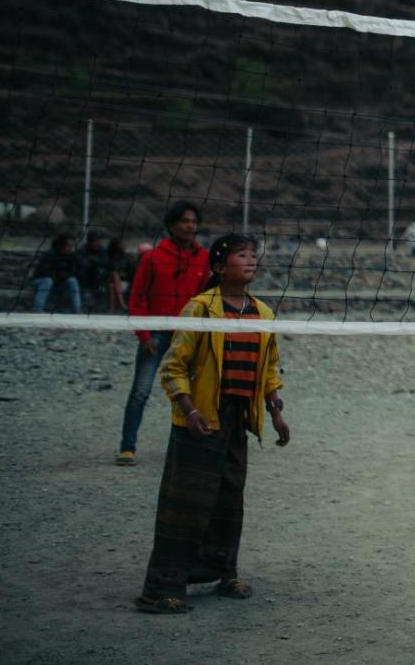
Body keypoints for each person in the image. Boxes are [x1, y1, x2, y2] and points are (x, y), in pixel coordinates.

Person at [133, 233, 290, 614]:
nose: (251, 261)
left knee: (228, 499)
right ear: (220, 267)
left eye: (254, 254)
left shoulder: (263, 313)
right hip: (202, 416)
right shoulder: (200, 309)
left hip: (239, 418)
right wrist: (188, 410)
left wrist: (275, 411)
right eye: (241, 255)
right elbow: (174, 366)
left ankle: (224, 571)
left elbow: (268, 368)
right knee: (184, 502)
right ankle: (162, 588)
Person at [119, 202, 211, 467]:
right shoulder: (152, 258)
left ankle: (192, 445)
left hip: (188, 335)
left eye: (194, 221)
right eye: (184, 221)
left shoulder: (203, 258)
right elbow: (137, 298)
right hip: (156, 335)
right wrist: (144, 335)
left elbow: (204, 297)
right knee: (141, 391)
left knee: (192, 393)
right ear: (171, 225)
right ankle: (127, 447)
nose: (190, 226)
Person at [28, 232, 83, 313]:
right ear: (62, 245)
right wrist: (59, 276)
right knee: (47, 280)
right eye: (69, 246)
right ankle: (37, 309)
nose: (71, 248)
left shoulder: (72, 256)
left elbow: (75, 272)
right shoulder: (49, 254)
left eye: (72, 246)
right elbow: (44, 272)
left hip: (60, 282)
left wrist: (63, 276)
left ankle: (77, 309)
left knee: (73, 280)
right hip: (41, 281)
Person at [77, 230, 117, 312]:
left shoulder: (101, 250)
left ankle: (110, 309)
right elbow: (84, 264)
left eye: (99, 241)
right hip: (85, 277)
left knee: (110, 276)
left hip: (99, 277)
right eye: (97, 241)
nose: (98, 243)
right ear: (90, 241)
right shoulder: (81, 250)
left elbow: (107, 262)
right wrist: (95, 262)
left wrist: (93, 260)